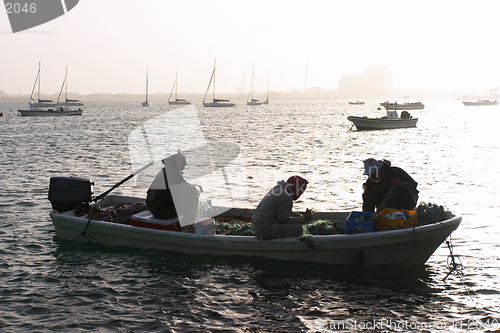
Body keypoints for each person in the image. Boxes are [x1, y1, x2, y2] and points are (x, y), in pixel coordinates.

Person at [252, 175, 313, 240]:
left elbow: (281, 210)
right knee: (298, 228)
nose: (300, 194)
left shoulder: (277, 189)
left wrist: (298, 215)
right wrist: (303, 219)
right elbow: (283, 220)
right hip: (265, 230)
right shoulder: (286, 197)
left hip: (256, 226)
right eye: (300, 191)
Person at [146, 150, 199, 224]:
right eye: (183, 165)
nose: (183, 168)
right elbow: (189, 190)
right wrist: (195, 189)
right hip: (162, 212)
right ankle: (188, 225)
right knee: (193, 198)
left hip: (154, 210)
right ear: (178, 164)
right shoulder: (173, 175)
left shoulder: (164, 172)